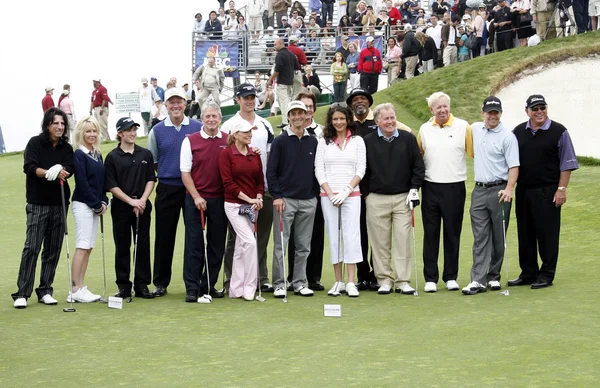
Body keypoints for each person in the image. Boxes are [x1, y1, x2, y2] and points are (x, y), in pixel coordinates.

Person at [346, 88, 412, 290]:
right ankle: (364, 275)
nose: (360, 102)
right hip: (365, 193)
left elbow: (403, 134)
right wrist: (365, 193)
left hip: (392, 193)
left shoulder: (385, 125)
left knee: (386, 238)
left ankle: (380, 277)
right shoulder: (350, 126)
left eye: (363, 99)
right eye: (356, 99)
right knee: (365, 236)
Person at [510, 94, 579, 289]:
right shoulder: (518, 132)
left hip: (548, 191)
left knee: (547, 234)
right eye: (535, 109)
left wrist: (561, 189)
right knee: (525, 233)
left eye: (542, 108)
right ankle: (528, 272)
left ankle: (546, 274)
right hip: (524, 190)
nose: (539, 112)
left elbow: (567, 164)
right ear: (527, 111)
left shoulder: (559, 131)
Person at [11, 108, 74, 309]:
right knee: (32, 247)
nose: (60, 127)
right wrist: (48, 172)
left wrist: (61, 171)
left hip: (60, 202)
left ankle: (45, 290)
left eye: (62, 124)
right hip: (38, 204)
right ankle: (22, 292)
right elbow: (29, 167)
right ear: (48, 124)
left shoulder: (66, 147)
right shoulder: (35, 143)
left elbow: (69, 169)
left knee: (53, 249)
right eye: (56, 123)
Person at [362, 103, 425, 295]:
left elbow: (418, 166)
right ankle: (384, 280)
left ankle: (403, 280)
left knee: (402, 240)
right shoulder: (367, 141)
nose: (390, 122)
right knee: (380, 243)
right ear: (378, 121)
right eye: (386, 118)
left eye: (392, 118)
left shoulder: (407, 139)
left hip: (402, 198)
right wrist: (367, 195)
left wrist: (414, 189)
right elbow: (362, 170)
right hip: (376, 198)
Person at [147, 88, 204, 297]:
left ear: (185, 103)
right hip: (167, 188)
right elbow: (153, 160)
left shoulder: (198, 127)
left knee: (194, 236)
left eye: (179, 101)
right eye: (171, 102)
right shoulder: (157, 130)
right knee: (164, 236)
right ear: (166, 105)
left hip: (193, 189)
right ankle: (161, 283)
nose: (175, 106)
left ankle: (194, 281)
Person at [462, 97, 520, 295]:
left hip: (500, 190)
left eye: (496, 112)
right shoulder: (475, 129)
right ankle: (477, 280)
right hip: (479, 190)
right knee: (480, 237)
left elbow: (514, 167)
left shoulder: (507, 137)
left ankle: (493, 277)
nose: (492, 116)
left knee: (498, 236)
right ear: (483, 113)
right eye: (489, 112)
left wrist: (509, 188)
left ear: (500, 114)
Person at [222, 84, 275, 294]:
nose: (250, 100)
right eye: (245, 97)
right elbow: (227, 157)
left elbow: (269, 158)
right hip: (237, 193)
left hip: (262, 189)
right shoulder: (229, 125)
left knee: (260, 236)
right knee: (236, 238)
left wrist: (264, 191)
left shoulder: (265, 125)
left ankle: (260, 278)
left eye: (252, 96)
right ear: (238, 99)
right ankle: (231, 280)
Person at [418, 92, 473, 293]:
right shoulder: (424, 129)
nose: (442, 110)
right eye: (438, 107)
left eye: (445, 106)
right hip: (430, 186)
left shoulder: (463, 126)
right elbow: (419, 157)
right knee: (430, 233)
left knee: (452, 233)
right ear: (431, 110)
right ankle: (430, 278)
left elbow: (473, 152)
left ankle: (450, 276)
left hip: (455, 186)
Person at [267, 101, 318, 298]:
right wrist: (277, 196)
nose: (297, 117)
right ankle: (279, 283)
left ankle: (299, 282)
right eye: (293, 113)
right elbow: (271, 172)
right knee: (281, 244)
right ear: (288, 117)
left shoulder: (313, 141)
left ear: (306, 116)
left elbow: (316, 170)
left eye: (301, 113)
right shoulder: (280, 141)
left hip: (307, 200)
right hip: (285, 201)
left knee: (303, 245)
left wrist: (313, 195)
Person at [179, 102, 229, 302]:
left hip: (219, 199)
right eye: (207, 116)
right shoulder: (190, 141)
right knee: (194, 243)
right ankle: (192, 288)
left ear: (220, 119)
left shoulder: (228, 139)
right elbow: (185, 173)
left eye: (214, 116)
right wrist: (197, 196)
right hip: (195, 199)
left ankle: (207, 285)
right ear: (202, 119)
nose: (211, 120)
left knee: (216, 245)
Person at [315, 105, 366, 297]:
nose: (338, 122)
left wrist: (346, 191)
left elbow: (361, 168)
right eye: (335, 119)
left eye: (342, 119)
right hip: (328, 196)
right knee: (334, 237)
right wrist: (330, 193)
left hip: (351, 195)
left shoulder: (358, 141)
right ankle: (338, 281)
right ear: (331, 121)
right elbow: (319, 170)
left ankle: (351, 282)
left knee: (351, 236)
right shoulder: (323, 142)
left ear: (348, 120)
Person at [104, 118, 156, 299]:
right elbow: (111, 185)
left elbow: (151, 179)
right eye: (129, 130)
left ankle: (142, 285)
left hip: (142, 206)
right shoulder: (112, 157)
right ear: (120, 134)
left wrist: (141, 200)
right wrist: (131, 202)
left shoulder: (145, 154)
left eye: (134, 130)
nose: (133, 133)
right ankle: (124, 286)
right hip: (121, 207)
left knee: (142, 245)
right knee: (122, 246)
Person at [219, 120, 264, 301]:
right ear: (235, 134)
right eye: (245, 132)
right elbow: (228, 184)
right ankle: (250, 286)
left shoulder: (255, 154)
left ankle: (236, 288)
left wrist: (259, 197)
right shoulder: (226, 154)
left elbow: (260, 179)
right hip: (234, 205)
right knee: (250, 243)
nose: (249, 134)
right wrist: (250, 199)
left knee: (240, 247)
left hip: (253, 205)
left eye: (250, 132)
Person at [286, 91, 325, 291]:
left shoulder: (323, 132)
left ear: (313, 109)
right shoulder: (287, 132)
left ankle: (314, 277)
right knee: (296, 237)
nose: (306, 110)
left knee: (316, 234)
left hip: (317, 192)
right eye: (303, 107)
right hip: (296, 193)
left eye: (310, 106)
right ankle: (294, 276)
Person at [69, 116, 108, 303]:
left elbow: (101, 183)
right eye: (88, 131)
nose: (91, 135)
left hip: (95, 205)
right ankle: (75, 289)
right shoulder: (79, 154)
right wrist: (96, 204)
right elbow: (82, 184)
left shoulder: (97, 153)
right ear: (81, 133)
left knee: (89, 247)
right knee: (82, 246)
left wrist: (104, 201)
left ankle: (81, 287)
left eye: (94, 131)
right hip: (83, 205)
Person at [267, 38, 299, 128]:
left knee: (283, 102)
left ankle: (286, 121)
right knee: (288, 100)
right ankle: (289, 119)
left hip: (282, 82)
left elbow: (277, 70)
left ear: (281, 44)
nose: (274, 46)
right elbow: (296, 66)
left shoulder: (280, 55)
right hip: (290, 81)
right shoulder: (291, 54)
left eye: (275, 44)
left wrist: (270, 80)